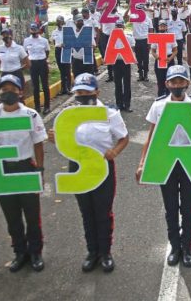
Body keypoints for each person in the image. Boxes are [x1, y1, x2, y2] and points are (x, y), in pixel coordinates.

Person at [136, 65, 191, 268]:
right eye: (173, 82)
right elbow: (150, 138)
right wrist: (142, 164)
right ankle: (175, 246)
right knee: (171, 208)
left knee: (189, 208)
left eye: (181, 82)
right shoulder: (158, 106)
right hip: (166, 164)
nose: (177, 85)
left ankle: (188, 247)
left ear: (187, 83)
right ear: (167, 84)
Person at [47, 73, 129, 273]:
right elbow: (64, 141)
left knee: (103, 212)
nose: (82, 96)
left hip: (102, 168)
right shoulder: (68, 116)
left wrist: (115, 151)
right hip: (77, 168)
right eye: (79, 93)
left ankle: (106, 253)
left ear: (97, 92)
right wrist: (55, 139)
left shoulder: (109, 113)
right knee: (86, 212)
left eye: (87, 92)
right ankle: (92, 252)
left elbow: (123, 138)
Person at [0, 74, 47, 272]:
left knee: (32, 215)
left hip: (26, 167)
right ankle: (20, 252)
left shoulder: (30, 115)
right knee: (11, 217)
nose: (8, 93)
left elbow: (38, 144)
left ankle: (36, 252)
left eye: (13, 89)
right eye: (4, 90)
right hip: (3, 171)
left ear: (20, 92)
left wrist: (40, 169)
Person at [24, 23, 51, 115]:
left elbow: (47, 51)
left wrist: (43, 59)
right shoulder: (26, 41)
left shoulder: (44, 40)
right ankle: (37, 106)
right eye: (32, 29)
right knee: (35, 87)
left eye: (35, 29)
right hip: (33, 64)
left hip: (42, 63)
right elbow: (25, 52)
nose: (34, 31)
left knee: (45, 86)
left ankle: (47, 106)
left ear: (38, 30)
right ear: (30, 30)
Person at [124, 5, 153, 82]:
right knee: (138, 59)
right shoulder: (134, 17)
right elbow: (125, 17)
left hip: (145, 41)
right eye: (138, 9)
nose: (140, 11)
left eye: (141, 9)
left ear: (144, 10)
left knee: (146, 59)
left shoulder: (148, 19)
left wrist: (150, 44)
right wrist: (129, 7)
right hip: (136, 41)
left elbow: (150, 31)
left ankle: (146, 74)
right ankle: (140, 74)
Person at [112, 19, 135, 112]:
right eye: (117, 26)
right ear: (115, 27)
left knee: (127, 84)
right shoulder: (112, 38)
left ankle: (127, 105)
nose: (119, 28)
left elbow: (132, 48)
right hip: (116, 62)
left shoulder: (128, 37)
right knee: (117, 84)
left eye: (121, 26)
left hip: (126, 62)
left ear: (124, 27)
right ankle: (119, 104)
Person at [151, 20, 177, 97]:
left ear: (166, 27)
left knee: (170, 81)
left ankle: (169, 100)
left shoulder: (171, 36)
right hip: (159, 60)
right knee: (160, 82)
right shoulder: (156, 37)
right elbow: (152, 51)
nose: (162, 27)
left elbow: (175, 51)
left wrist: (170, 58)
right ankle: (160, 100)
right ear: (158, 27)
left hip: (169, 60)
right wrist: (156, 56)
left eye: (164, 26)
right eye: (160, 26)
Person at [50, 16, 71, 95]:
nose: (59, 23)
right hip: (58, 51)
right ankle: (63, 88)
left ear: (63, 22)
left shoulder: (67, 31)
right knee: (62, 71)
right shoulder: (54, 32)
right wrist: (59, 46)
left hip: (66, 50)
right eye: (58, 21)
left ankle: (68, 88)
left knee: (67, 69)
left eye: (61, 21)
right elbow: (54, 42)